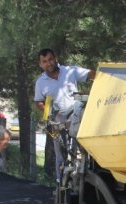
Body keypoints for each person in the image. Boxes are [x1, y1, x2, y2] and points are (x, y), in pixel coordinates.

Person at [34, 48, 95, 182]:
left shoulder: (70, 71)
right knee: (60, 155)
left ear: (55, 59)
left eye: (50, 59)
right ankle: (62, 183)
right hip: (57, 121)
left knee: (83, 150)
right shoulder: (40, 82)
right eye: (44, 61)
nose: (48, 63)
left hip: (76, 117)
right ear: (40, 64)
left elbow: (92, 75)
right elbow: (38, 102)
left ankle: (85, 178)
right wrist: (48, 113)